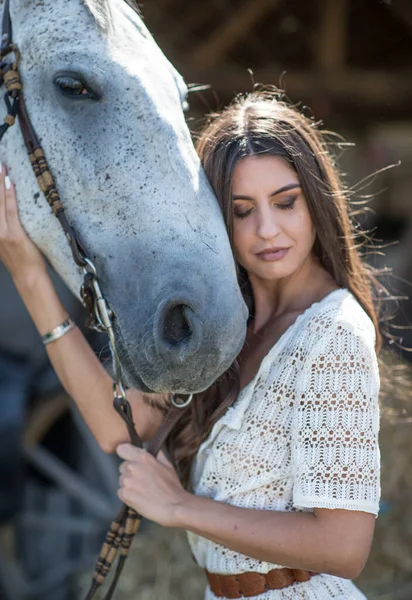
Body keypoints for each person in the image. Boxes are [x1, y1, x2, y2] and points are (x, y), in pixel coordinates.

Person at [0, 90, 381, 599]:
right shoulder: (229, 329)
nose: (267, 230)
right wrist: (30, 277)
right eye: (242, 211)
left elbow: (343, 546)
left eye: (285, 202)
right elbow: (121, 425)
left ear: (316, 200)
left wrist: (179, 507)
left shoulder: (331, 332)